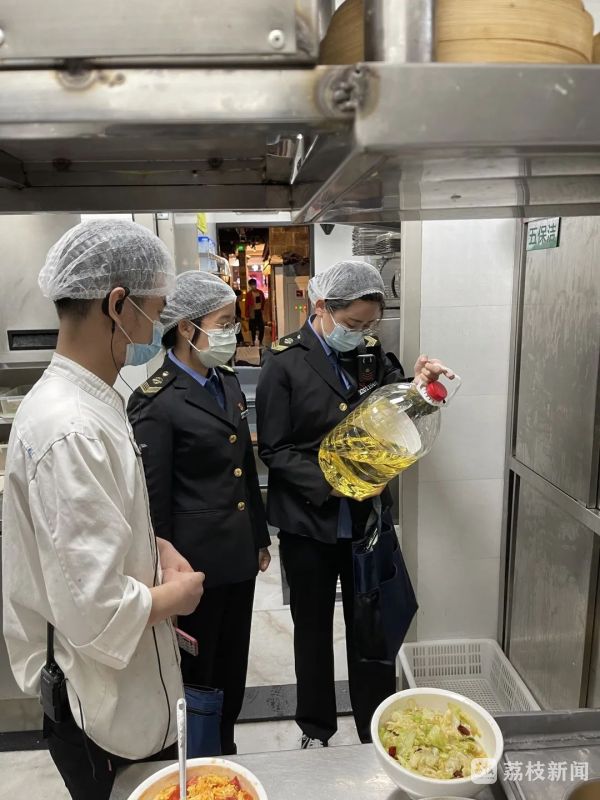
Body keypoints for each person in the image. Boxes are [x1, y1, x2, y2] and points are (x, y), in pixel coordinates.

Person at [1, 220, 205, 800]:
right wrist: (176, 597)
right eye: (155, 312)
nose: (157, 330)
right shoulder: (69, 428)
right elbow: (94, 609)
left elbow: (93, 533)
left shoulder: (93, 401)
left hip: (126, 690)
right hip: (98, 708)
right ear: (117, 305)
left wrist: (153, 546)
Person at [256, 260, 449, 749]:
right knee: (312, 630)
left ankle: (373, 728)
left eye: (368, 325)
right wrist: (337, 482)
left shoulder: (371, 352)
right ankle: (316, 728)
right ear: (322, 307)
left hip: (365, 523)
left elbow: (400, 407)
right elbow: (275, 449)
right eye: (352, 323)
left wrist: (422, 388)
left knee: (370, 628)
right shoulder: (284, 361)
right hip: (308, 522)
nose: (360, 333)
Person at [127, 271, 271, 755]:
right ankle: (199, 759)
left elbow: (244, 468)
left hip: (238, 558)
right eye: (224, 323)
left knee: (232, 663)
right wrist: (163, 574)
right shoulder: (156, 401)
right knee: (198, 671)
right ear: (187, 328)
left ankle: (225, 747)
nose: (233, 333)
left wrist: (259, 536)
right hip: (191, 568)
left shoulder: (225, 382)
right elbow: (154, 501)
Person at [246, 278, 266, 346]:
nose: (253, 286)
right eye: (251, 285)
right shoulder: (248, 294)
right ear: (250, 285)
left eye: (254, 284)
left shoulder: (260, 292)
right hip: (252, 312)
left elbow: (263, 301)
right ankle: (253, 341)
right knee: (253, 328)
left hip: (259, 311)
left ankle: (260, 341)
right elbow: (247, 305)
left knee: (262, 327)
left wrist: (262, 309)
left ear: (256, 284)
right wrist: (247, 315)